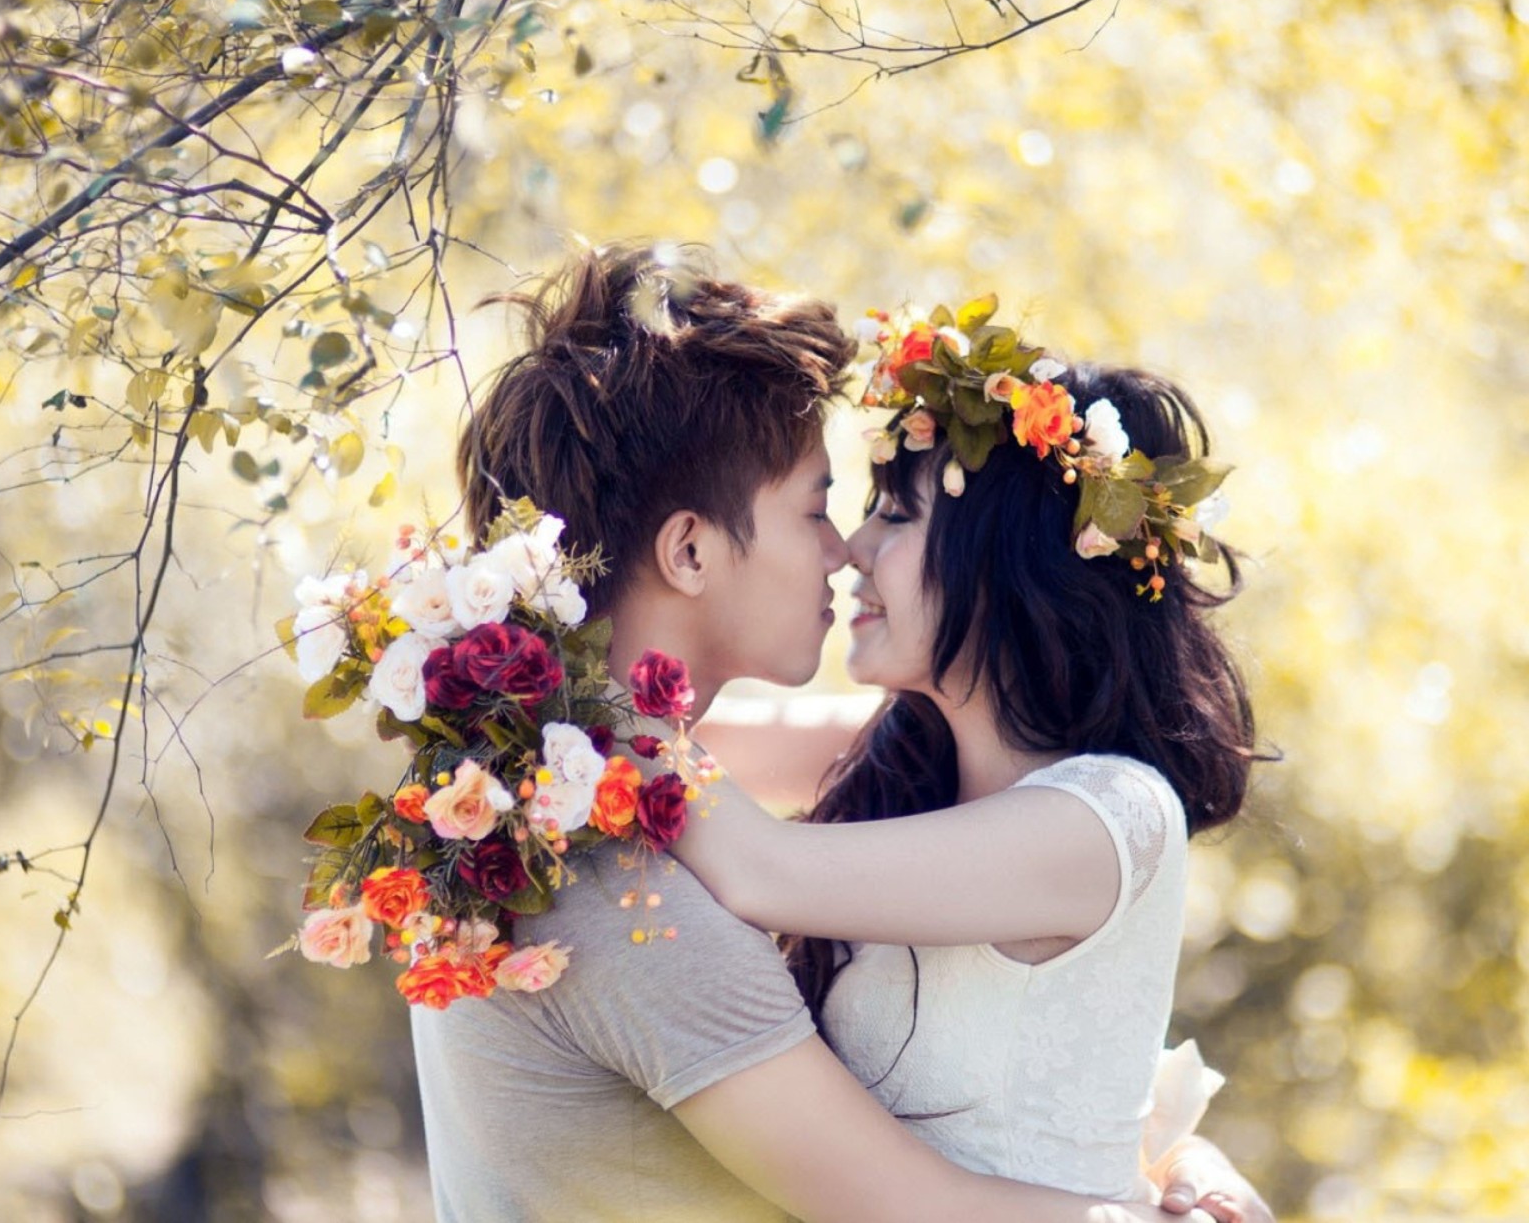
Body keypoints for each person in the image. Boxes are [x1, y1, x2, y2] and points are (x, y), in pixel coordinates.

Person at [409, 243, 1271, 1222]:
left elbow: (1048, 1030)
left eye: (887, 516)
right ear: (688, 550)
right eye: (822, 508)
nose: (845, 549)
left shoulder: (1080, 806)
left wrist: (1172, 1159)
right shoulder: (620, 889)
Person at [657, 304, 1258, 1207]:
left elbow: (755, 864)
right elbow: (693, 742)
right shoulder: (905, 757)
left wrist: (569, 713)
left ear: (1006, 563)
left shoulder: (1108, 816)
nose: (851, 549)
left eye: (896, 516)